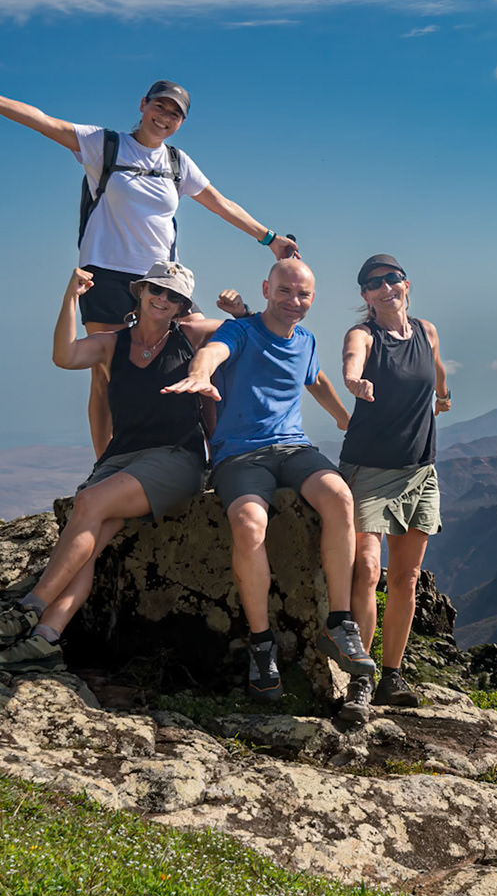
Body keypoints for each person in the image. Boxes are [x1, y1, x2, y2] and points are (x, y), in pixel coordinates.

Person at [0, 60, 298, 456]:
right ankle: (106, 463)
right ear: (143, 104)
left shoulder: (177, 163)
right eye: (160, 107)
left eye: (175, 114)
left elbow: (220, 203)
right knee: (104, 373)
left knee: (200, 357)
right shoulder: (106, 145)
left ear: (181, 122)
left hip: (162, 280)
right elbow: (41, 121)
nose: (165, 117)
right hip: (104, 276)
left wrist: (268, 238)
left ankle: (218, 453)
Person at [0, 261, 227, 667]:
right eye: (157, 290)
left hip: (176, 458)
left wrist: (241, 309)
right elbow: (64, 356)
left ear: (183, 307)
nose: (163, 299)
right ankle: (45, 638)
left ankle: (28, 608)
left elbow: (248, 331)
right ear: (140, 292)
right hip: (123, 459)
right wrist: (70, 299)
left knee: (89, 504)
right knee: (89, 543)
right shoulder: (111, 344)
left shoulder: (191, 336)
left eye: (174, 296)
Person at [162, 258, 382, 723]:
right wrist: (201, 374)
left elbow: (316, 379)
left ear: (312, 299)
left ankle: (340, 624)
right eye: (285, 291)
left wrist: (345, 418)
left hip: (294, 449)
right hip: (240, 456)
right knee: (248, 523)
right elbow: (213, 352)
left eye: (302, 295)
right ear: (266, 288)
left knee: (339, 497)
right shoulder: (241, 332)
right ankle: (262, 644)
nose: (293, 301)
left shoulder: (305, 341)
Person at [339, 255, 452, 709]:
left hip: (420, 470)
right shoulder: (364, 335)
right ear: (365, 296)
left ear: (407, 284)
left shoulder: (427, 331)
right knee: (367, 569)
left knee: (405, 576)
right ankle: (360, 678)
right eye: (374, 284)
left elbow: (438, 368)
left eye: (392, 279)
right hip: (369, 470)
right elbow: (352, 361)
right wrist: (354, 382)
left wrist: (443, 396)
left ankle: (392, 675)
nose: (385, 288)